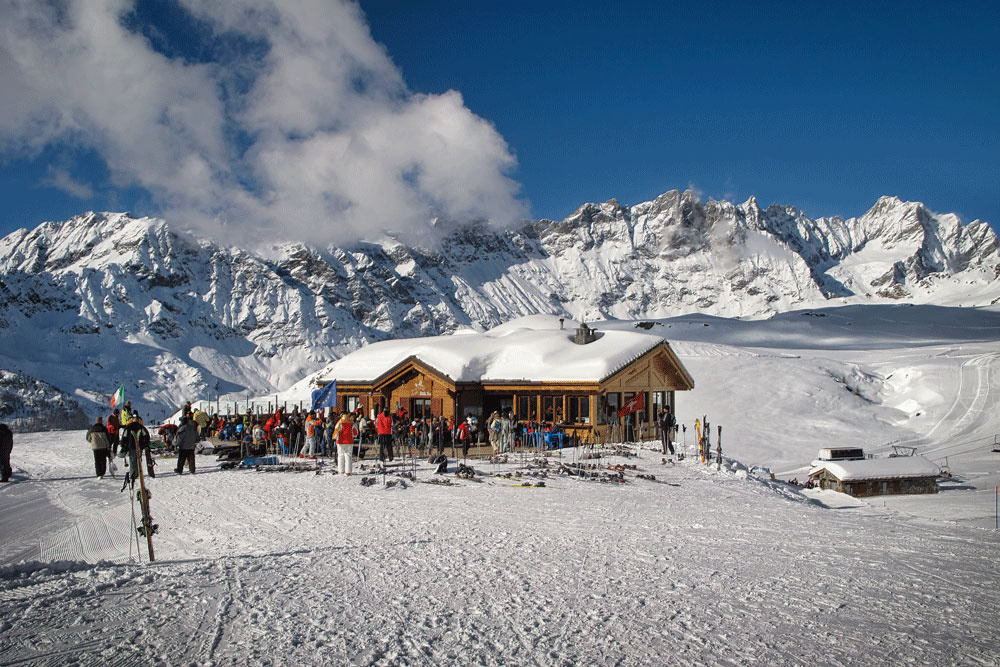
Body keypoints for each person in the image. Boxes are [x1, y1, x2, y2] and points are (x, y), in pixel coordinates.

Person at [121, 414, 154, 479]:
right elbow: (146, 436)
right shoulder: (141, 427)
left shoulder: (128, 427)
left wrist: (123, 445)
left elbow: (124, 437)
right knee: (138, 459)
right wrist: (145, 444)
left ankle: (134, 474)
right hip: (139, 446)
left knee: (132, 460)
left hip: (131, 446)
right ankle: (138, 472)